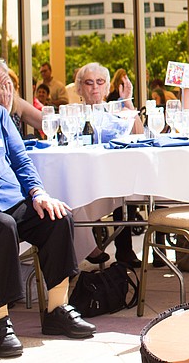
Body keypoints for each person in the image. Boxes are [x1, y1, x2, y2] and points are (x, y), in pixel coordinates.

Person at [0, 45, 95, 357]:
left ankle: (56, 310)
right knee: (1, 225)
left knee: (57, 215)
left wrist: (38, 193)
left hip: (9, 199)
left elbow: (23, 163)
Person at [76, 62, 144, 268]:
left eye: (100, 82)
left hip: (112, 175)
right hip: (84, 175)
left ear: (107, 88)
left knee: (132, 184)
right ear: (80, 88)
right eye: (89, 83)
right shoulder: (72, 115)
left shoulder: (115, 111)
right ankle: (82, 249)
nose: (94, 87)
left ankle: (124, 249)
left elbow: (139, 134)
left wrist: (128, 103)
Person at [0, 58, 42, 133]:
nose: (1, 84)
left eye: (4, 79)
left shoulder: (15, 102)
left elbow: (43, 122)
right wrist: (4, 109)